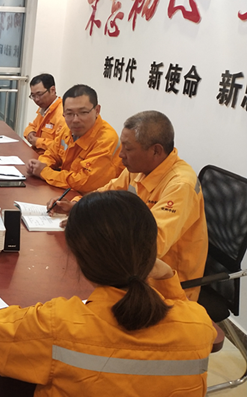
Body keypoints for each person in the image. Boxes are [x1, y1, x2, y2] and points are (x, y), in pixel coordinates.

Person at [0, 190, 216, 397]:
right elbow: (181, 310)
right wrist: (166, 279)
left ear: (79, 258)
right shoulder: (199, 325)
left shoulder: (58, 323)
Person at [47, 111, 207, 300]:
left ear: (156, 151)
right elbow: (107, 193)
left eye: (128, 149)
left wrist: (92, 228)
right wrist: (78, 207)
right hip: (130, 266)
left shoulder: (180, 185)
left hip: (165, 284)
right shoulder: (140, 167)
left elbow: (152, 245)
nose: (121, 154)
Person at [26, 84, 123, 194]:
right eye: (69, 113)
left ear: (97, 110)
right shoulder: (67, 130)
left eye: (83, 112)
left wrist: (44, 172)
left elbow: (84, 182)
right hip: (68, 192)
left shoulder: (106, 139)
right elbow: (53, 153)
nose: (75, 120)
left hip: (96, 198)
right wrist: (40, 164)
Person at [23, 74, 66, 153]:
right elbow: (31, 126)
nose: (36, 99)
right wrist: (30, 133)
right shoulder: (44, 108)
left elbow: (61, 147)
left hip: (50, 158)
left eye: (39, 94)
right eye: (33, 96)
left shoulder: (62, 114)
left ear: (52, 90)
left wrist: (38, 142)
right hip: (36, 153)